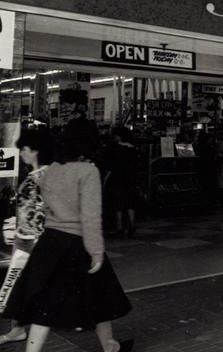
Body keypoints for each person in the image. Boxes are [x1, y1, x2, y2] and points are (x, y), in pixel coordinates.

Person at [3, 118, 132, 352]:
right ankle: (110, 346)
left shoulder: (51, 170)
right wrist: (96, 251)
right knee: (100, 296)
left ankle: (109, 346)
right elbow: (91, 217)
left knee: (47, 305)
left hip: (51, 242)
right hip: (78, 242)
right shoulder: (88, 171)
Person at [0, 127, 53, 345]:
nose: (21, 152)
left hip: (35, 241)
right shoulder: (35, 175)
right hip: (25, 239)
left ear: (35, 151)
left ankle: (18, 328)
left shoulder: (45, 176)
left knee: (23, 287)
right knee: (17, 286)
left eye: (25, 149)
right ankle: (17, 328)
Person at [104, 127, 138, 237]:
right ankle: (132, 225)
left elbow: (111, 167)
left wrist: (105, 180)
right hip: (131, 178)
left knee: (118, 203)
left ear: (119, 136)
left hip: (118, 178)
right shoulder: (133, 149)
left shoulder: (115, 149)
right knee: (130, 202)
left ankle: (119, 228)